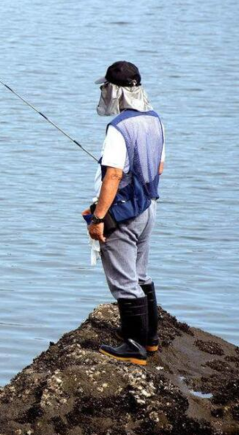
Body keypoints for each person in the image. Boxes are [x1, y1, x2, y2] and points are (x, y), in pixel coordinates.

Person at [87, 61, 165, 366]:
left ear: (115, 91)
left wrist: (98, 217)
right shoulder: (156, 120)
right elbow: (158, 167)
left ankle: (134, 346)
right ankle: (151, 339)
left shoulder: (119, 128)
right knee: (140, 273)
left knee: (124, 280)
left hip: (125, 214)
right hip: (149, 208)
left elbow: (114, 176)